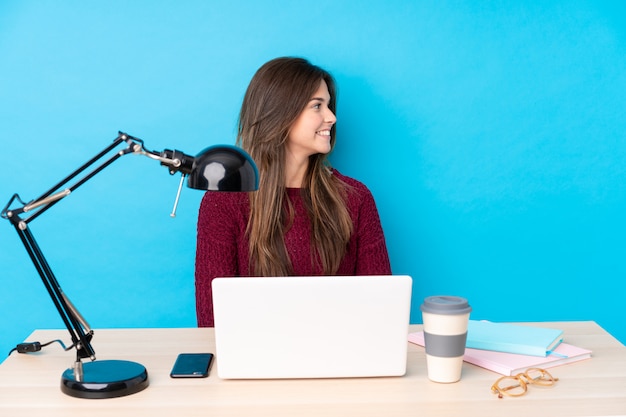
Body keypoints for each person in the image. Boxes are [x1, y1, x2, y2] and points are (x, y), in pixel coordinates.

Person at [195, 57, 391, 327]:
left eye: (329, 106)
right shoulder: (224, 201)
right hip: (255, 360)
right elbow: (212, 320)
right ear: (280, 114)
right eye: (317, 106)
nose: (332, 117)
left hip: (340, 357)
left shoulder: (355, 198)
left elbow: (380, 309)